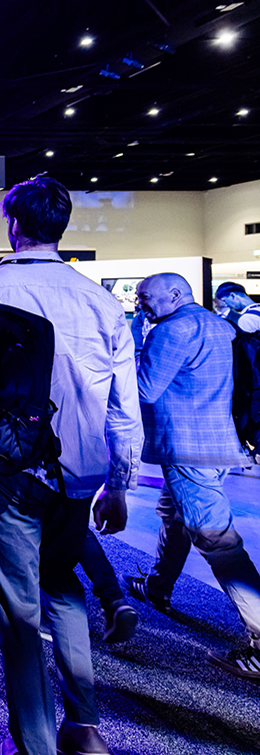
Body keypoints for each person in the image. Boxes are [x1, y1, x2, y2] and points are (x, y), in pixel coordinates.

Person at [0, 176, 143, 755]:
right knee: (63, 583)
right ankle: (85, 725)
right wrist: (120, 483)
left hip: (9, 464)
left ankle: (36, 742)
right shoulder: (101, 300)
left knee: (18, 608)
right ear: (62, 227)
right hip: (82, 468)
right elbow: (123, 405)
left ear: (13, 225)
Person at [125, 272, 260, 680]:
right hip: (217, 441)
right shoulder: (217, 325)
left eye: (145, 297)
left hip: (187, 449)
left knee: (217, 540)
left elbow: (144, 389)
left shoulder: (171, 330)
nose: (139, 303)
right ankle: (157, 586)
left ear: (174, 294)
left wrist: (133, 345)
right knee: (174, 516)